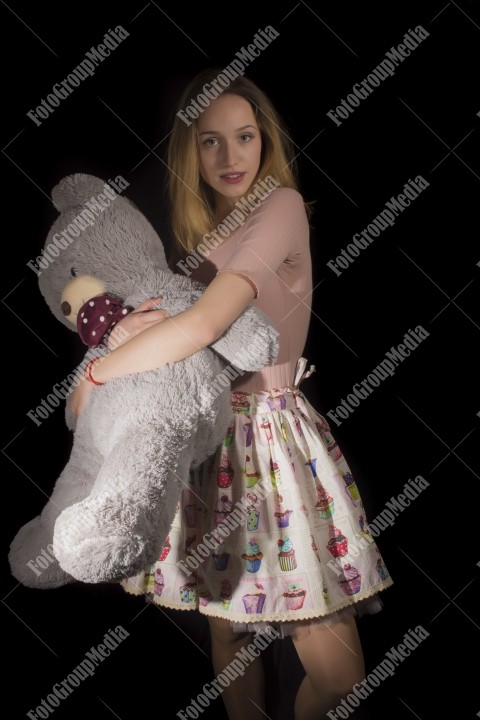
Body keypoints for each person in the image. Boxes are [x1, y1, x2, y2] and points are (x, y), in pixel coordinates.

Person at [71, 68, 393, 720]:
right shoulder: (199, 246)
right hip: (213, 431)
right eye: (210, 142)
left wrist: (95, 376)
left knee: (337, 673)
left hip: (275, 435)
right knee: (230, 628)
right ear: (191, 151)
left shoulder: (279, 208)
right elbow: (165, 332)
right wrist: (112, 330)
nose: (230, 156)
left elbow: (203, 327)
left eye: (244, 137)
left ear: (265, 141)